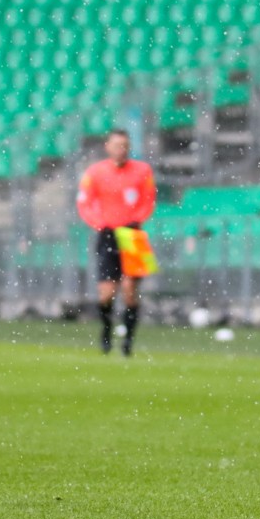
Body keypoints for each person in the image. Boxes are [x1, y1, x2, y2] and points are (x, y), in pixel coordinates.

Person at [76, 129, 156, 357]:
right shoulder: (95, 172)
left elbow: (148, 200)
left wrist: (135, 220)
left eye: (125, 145)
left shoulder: (142, 171)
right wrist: (100, 223)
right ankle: (106, 330)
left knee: (130, 290)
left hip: (133, 234)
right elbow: (84, 203)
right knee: (106, 293)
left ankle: (128, 341)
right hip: (107, 234)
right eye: (117, 145)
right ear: (107, 147)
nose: (121, 149)